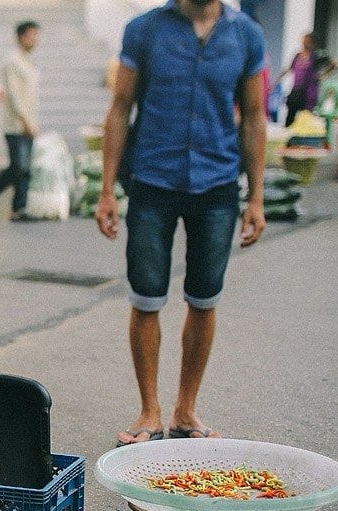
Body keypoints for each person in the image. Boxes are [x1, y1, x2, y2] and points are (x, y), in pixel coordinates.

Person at [96, 0, 266, 446]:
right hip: (152, 180)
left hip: (217, 184)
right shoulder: (144, 30)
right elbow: (119, 108)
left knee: (204, 298)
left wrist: (257, 198)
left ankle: (185, 410)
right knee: (146, 298)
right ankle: (149, 411)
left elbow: (253, 117)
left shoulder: (246, 34)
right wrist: (106, 189)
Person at [0, 21, 41, 221]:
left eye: (36, 36)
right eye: (31, 36)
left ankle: (19, 209)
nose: (35, 40)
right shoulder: (12, 62)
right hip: (16, 125)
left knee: (25, 169)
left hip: (29, 122)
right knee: (18, 167)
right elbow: (14, 96)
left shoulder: (28, 62)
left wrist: (32, 122)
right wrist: (25, 120)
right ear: (20, 37)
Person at [279, 32, 321, 127]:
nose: (305, 43)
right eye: (304, 41)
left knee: (306, 118)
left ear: (312, 43)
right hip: (296, 91)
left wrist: (321, 76)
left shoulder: (316, 56)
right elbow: (288, 69)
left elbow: (333, 64)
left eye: (308, 41)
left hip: (308, 93)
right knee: (290, 117)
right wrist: (277, 81)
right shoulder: (297, 55)